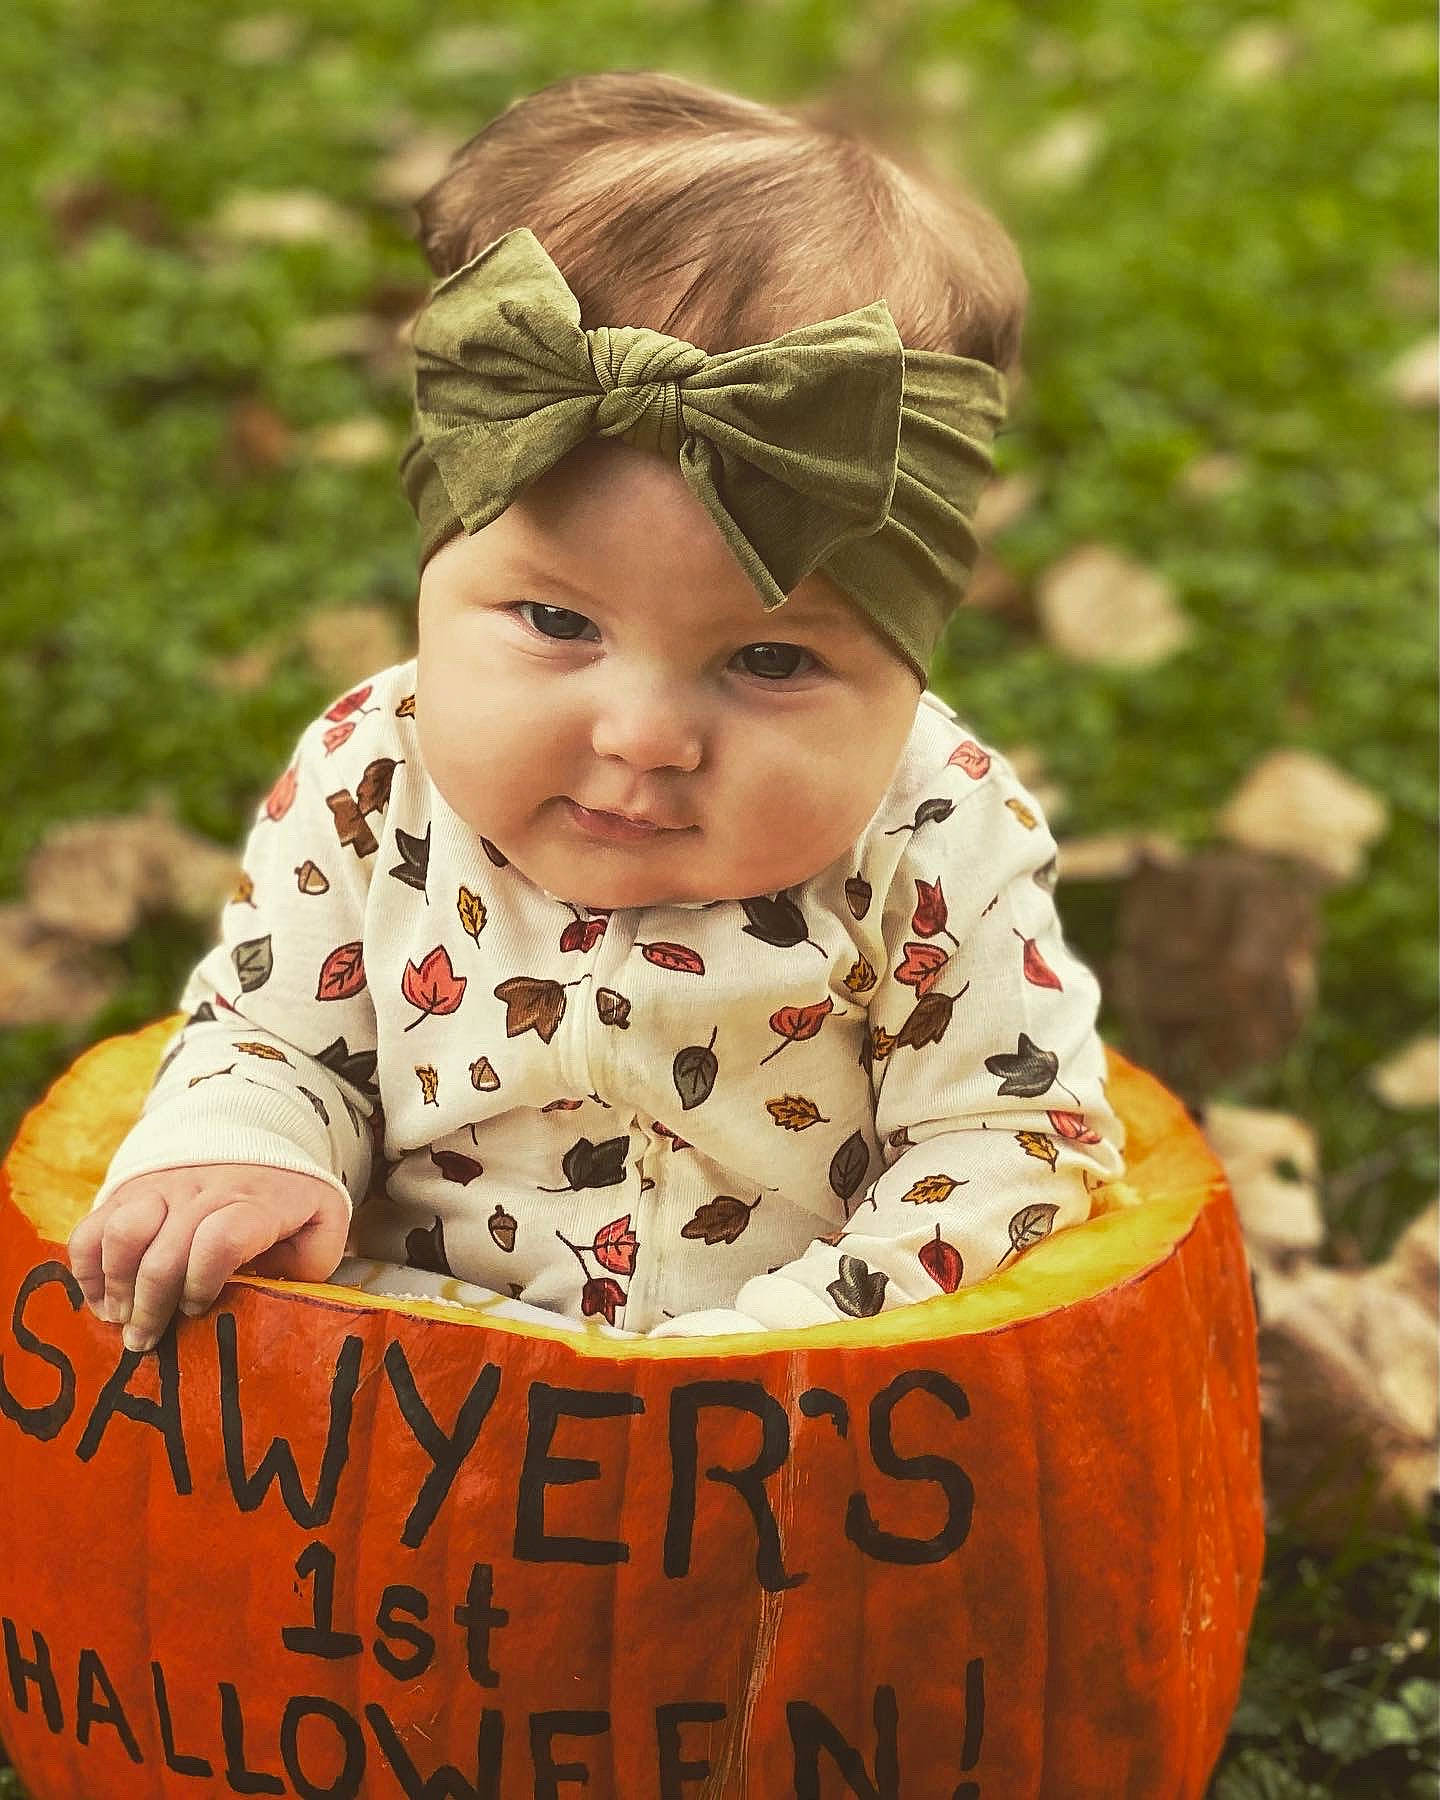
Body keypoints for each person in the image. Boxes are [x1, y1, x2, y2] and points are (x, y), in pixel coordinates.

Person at [67, 69, 1125, 1353]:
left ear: (907, 654)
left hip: (792, 1401)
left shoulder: (937, 829)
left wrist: (776, 1354)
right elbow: (277, 1034)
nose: (643, 737)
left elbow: (1005, 1139)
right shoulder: (371, 777)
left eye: (769, 659)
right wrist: (245, 1151)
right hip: (398, 1383)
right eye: (560, 625)